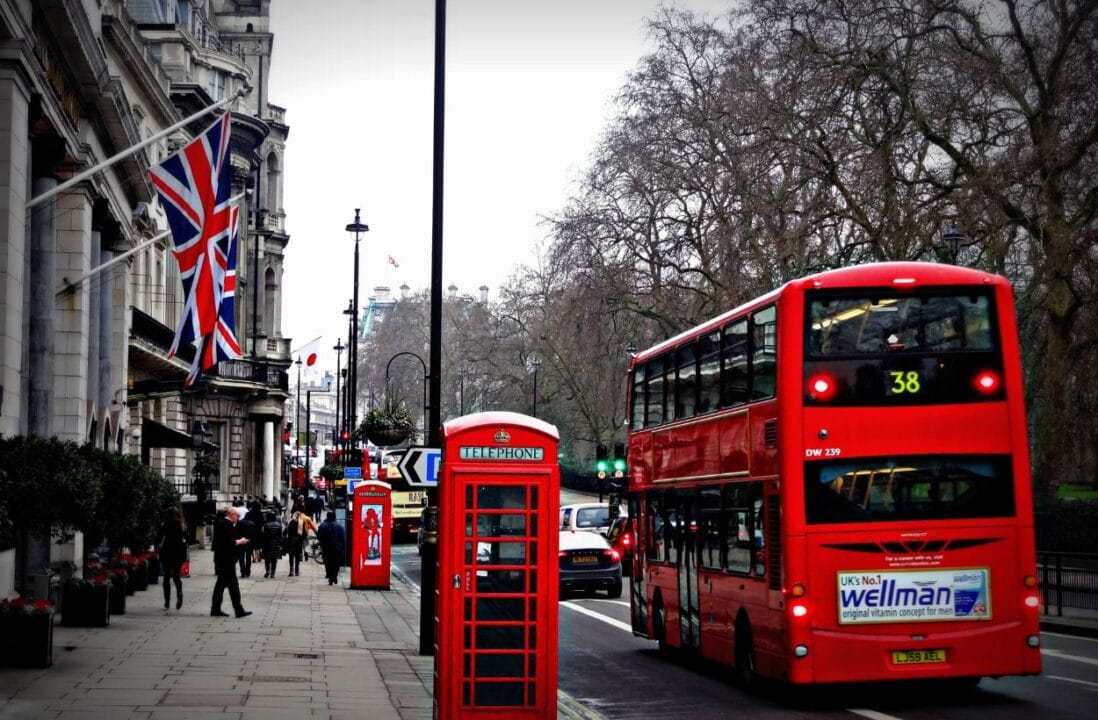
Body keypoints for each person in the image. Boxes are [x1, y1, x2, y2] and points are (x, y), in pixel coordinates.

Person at [210, 508, 252, 618]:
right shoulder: (226, 524)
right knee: (232, 586)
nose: (238, 519)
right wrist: (241, 541)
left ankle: (217, 609)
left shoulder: (221, 523)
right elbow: (229, 542)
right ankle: (238, 610)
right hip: (226, 560)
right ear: (232, 515)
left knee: (222, 585)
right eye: (237, 516)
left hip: (223, 560)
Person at [156, 507, 188, 610]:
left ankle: (167, 601)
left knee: (166, 577)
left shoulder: (165, 524)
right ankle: (179, 592)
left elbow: (158, 538)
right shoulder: (181, 525)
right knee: (177, 576)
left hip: (167, 552)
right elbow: (188, 538)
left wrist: (158, 545)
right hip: (179, 553)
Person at [316, 511, 346, 585]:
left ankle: (330, 576)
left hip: (326, 548)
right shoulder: (340, 527)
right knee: (336, 563)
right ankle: (334, 575)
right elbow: (343, 538)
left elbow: (319, 536)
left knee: (327, 562)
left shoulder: (323, 525)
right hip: (337, 548)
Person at [284, 510, 317, 577]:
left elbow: (285, 532)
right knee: (297, 557)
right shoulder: (302, 523)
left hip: (291, 542)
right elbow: (304, 534)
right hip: (298, 543)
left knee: (291, 557)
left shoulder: (291, 522)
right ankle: (297, 571)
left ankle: (291, 571)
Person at [261, 509, 284, 578]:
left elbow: (265, 536)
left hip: (268, 544)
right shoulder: (278, 525)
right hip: (276, 543)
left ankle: (268, 570)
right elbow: (280, 536)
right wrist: (280, 544)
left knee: (267, 558)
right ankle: (273, 573)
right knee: (274, 559)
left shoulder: (266, 525)